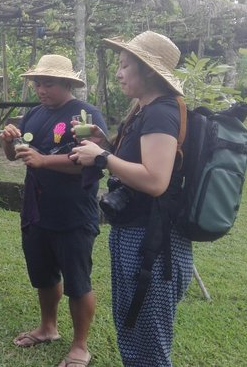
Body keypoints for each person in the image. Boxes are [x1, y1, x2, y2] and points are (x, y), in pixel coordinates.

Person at [69, 31, 193, 366]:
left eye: (125, 66)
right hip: (137, 235)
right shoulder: (143, 110)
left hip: (153, 242)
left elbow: (155, 180)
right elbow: (137, 165)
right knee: (134, 327)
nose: (119, 72)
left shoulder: (160, 113)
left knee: (148, 340)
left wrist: (100, 158)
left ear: (149, 71)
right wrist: (106, 146)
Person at [0, 55, 106, 367]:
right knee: (43, 275)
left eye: (48, 83)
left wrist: (44, 160)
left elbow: (91, 162)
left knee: (78, 280)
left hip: (74, 212)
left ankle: (80, 346)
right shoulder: (33, 114)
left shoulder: (85, 114)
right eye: (38, 83)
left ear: (67, 84)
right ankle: (48, 328)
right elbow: (16, 156)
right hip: (36, 210)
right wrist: (9, 142)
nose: (41, 89)